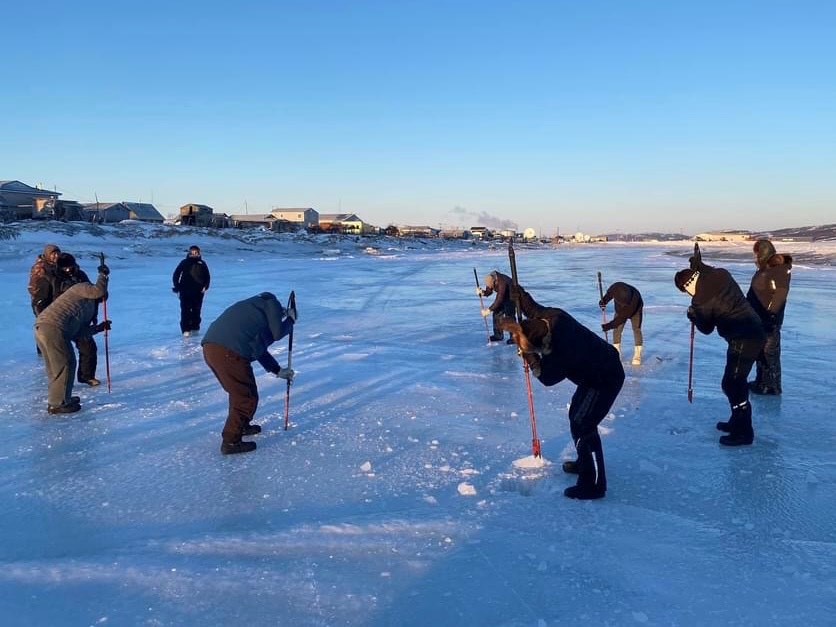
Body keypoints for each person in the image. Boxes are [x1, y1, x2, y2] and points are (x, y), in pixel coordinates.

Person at [499, 285, 624, 500]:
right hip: (595, 371)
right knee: (576, 415)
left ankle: (594, 484)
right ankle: (584, 461)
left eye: (535, 349)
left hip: (604, 378)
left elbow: (547, 378)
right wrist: (519, 295)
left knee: (583, 423)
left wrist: (530, 357)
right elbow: (534, 309)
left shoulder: (563, 349)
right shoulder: (553, 317)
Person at [675, 251, 765, 446]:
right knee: (732, 382)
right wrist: (699, 265)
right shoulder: (721, 275)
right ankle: (736, 421)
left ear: (686, 287)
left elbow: (706, 328)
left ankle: (744, 432)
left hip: (744, 337)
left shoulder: (700, 300)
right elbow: (709, 272)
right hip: (752, 331)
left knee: (733, 383)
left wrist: (694, 315)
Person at [202, 292, 296, 455]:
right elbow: (278, 333)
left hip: (212, 349)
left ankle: (241, 426)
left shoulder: (253, 314)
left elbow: (258, 348)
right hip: (229, 352)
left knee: (240, 393)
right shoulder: (270, 303)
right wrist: (291, 321)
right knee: (245, 397)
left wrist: (277, 370)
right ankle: (231, 442)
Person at [34, 263, 111, 414]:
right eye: (101, 299)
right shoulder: (81, 288)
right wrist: (103, 275)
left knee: (57, 366)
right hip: (53, 327)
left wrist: (99, 328)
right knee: (66, 364)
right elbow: (98, 290)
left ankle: (62, 398)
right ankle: (57, 404)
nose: (100, 301)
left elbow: (79, 333)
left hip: (44, 328)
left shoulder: (86, 308)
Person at [746, 239, 792, 395]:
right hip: (758, 318)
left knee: (769, 353)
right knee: (761, 352)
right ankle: (762, 382)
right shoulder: (763, 270)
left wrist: (771, 313)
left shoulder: (778, 270)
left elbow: (780, 293)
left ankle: (772, 386)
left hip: (769, 320)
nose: (755, 257)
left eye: (757, 254)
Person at [52, 253, 101, 386]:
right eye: (64, 268)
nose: (67, 270)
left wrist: (100, 297)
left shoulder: (81, 275)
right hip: (64, 320)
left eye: (69, 266)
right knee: (63, 356)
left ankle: (86, 376)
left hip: (82, 318)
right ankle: (60, 384)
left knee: (88, 348)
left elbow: (92, 291)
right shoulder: (56, 279)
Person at [599, 281, 644, 365]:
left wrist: (609, 326)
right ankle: (617, 353)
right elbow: (609, 295)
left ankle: (637, 355)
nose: (624, 305)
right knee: (617, 330)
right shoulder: (615, 287)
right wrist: (603, 301)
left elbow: (620, 319)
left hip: (636, 310)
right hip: (619, 311)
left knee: (636, 329)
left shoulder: (634, 300)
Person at [172, 245, 211, 337]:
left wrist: (205, 286)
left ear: (199, 253)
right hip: (185, 291)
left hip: (198, 291)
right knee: (185, 310)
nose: (194, 254)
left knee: (196, 310)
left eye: (196, 252)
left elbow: (207, 276)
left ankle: (195, 328)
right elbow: (176, 274)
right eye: (192, 252)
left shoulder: (202, 263)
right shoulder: (184, 262)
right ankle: (186, 329)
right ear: (189, 253)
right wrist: (177, 287)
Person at [477, 270, 516, 343]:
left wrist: (489, 310)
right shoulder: (490, 279)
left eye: (492, 286)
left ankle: (514, 336)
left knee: (509, 316)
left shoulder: (502, 282)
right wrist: (483, 292)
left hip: (511, 296)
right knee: (496, 313)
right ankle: (498, 335)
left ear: (494, 281)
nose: (491, 287)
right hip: (502, 296)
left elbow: (499, 299)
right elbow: (489, 291)